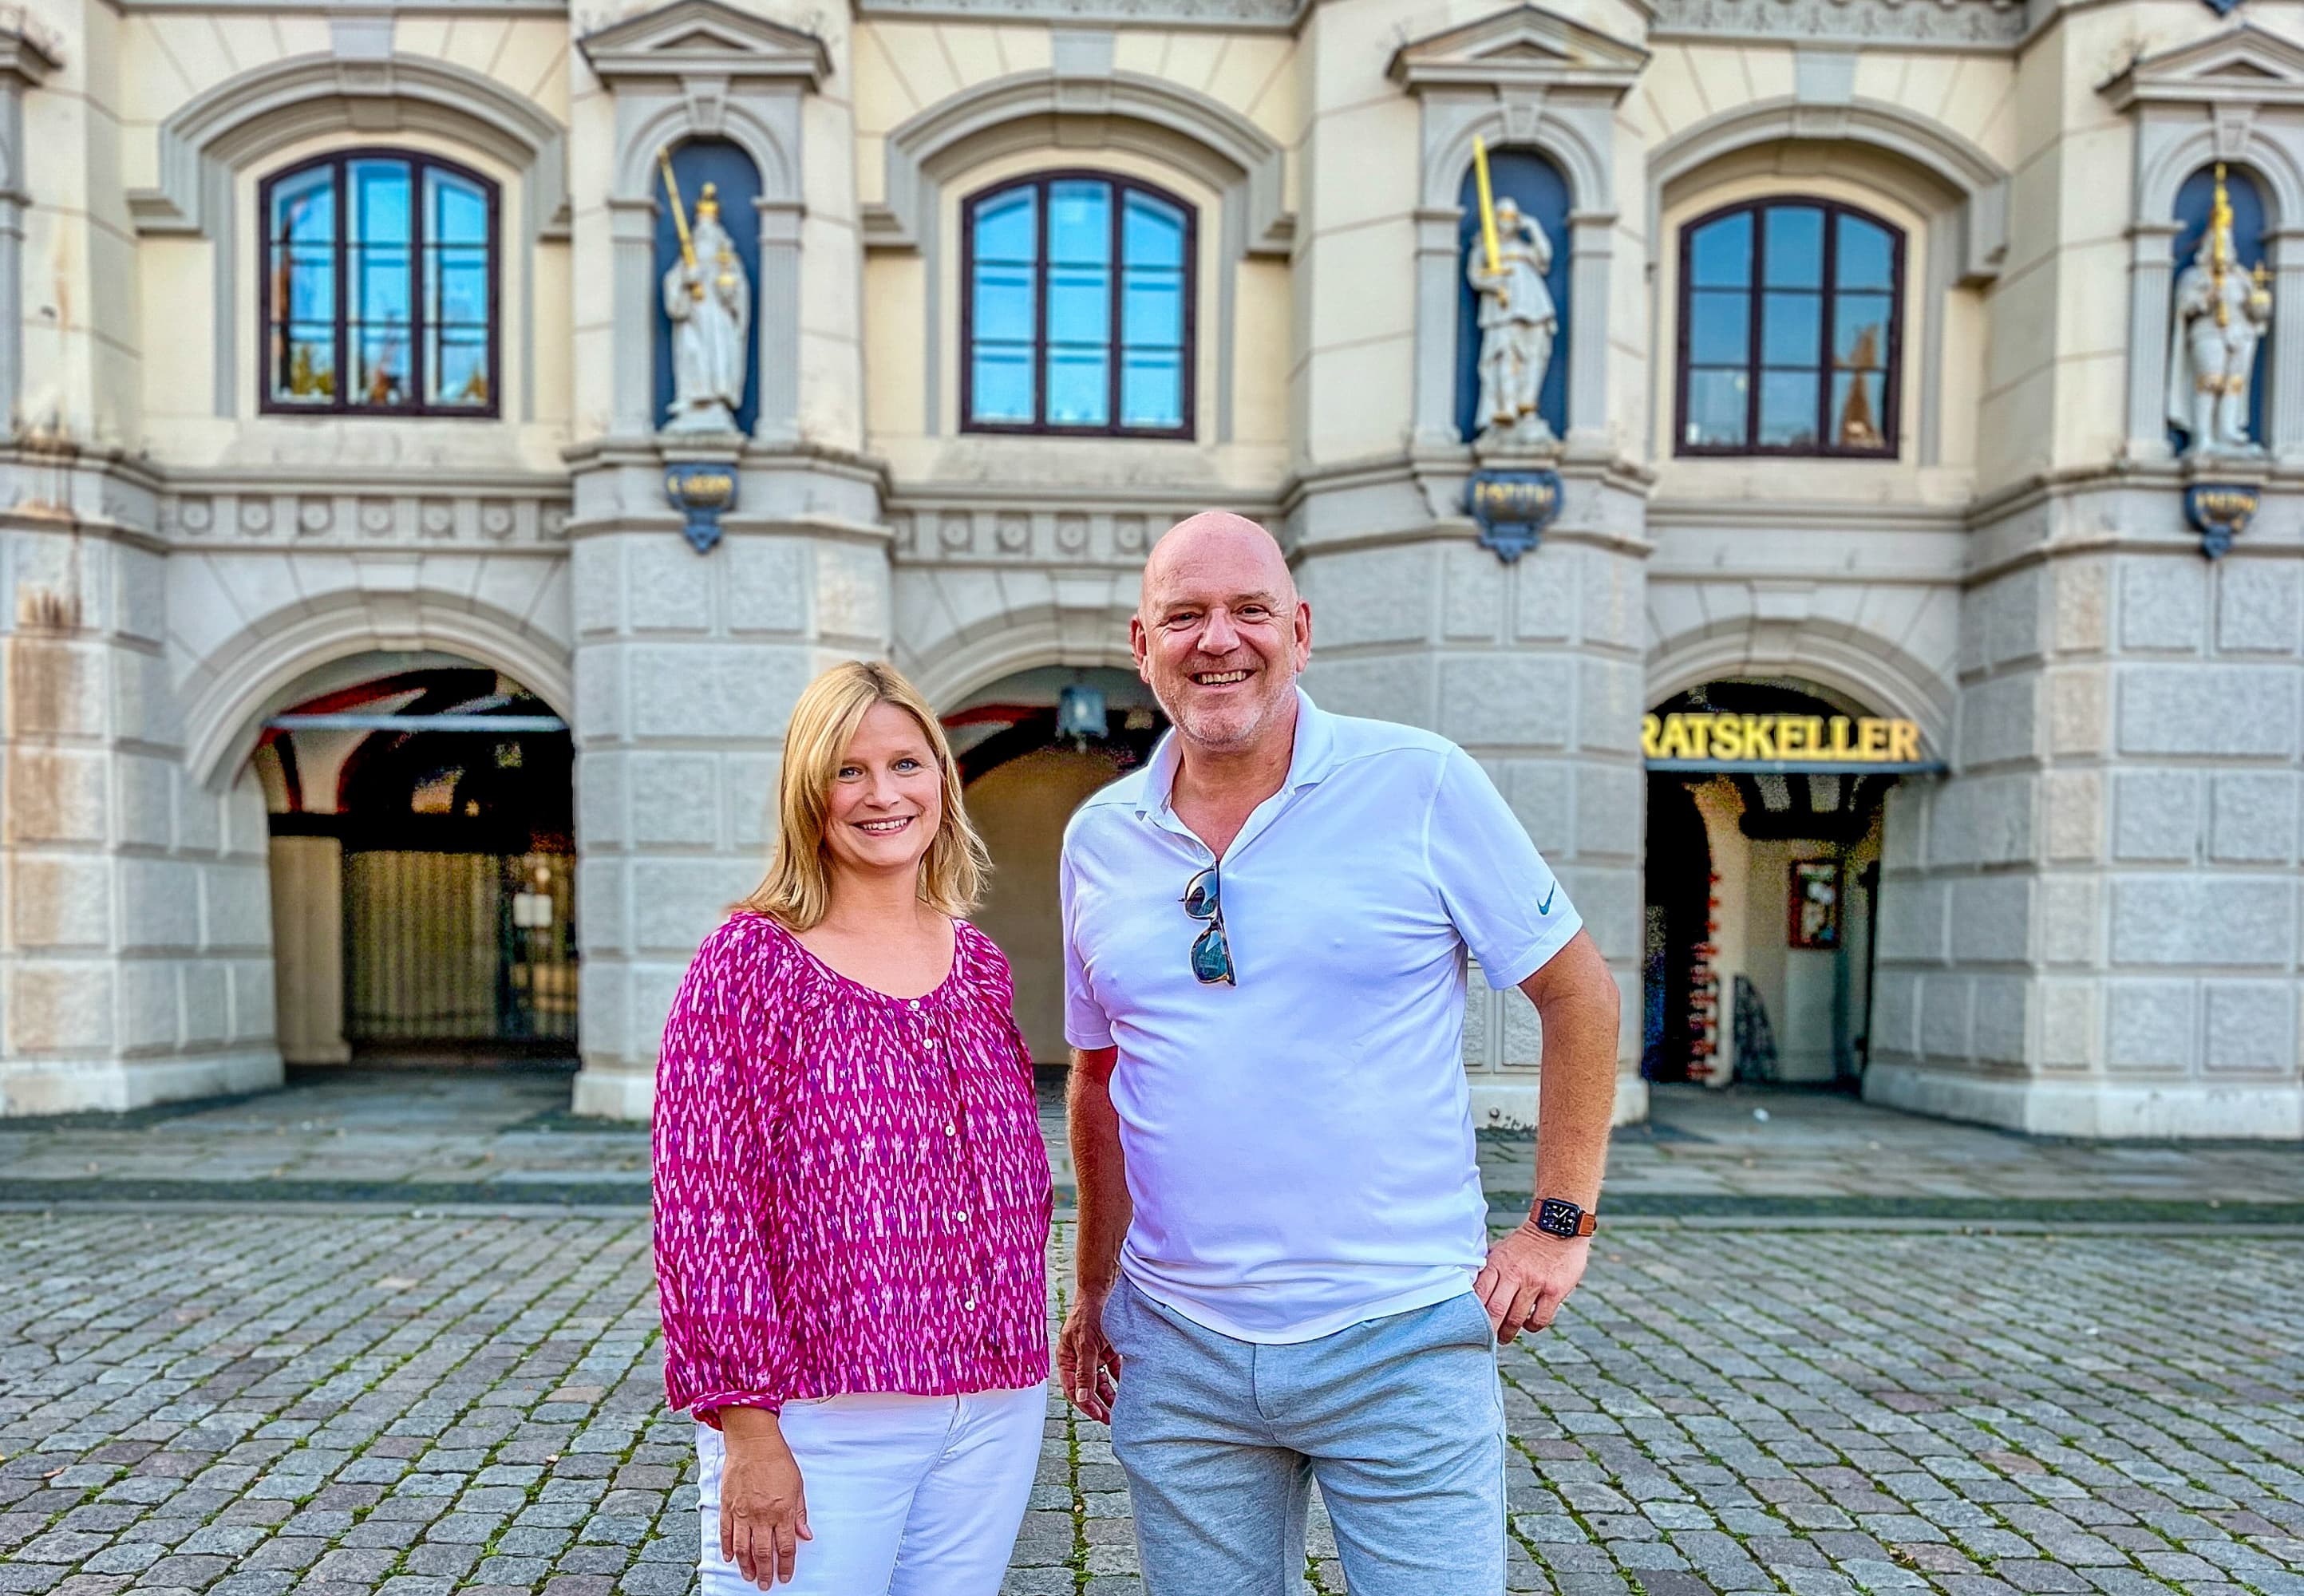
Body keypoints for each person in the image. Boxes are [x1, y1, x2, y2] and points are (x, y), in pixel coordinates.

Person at [1057, 511, 1621, 1595]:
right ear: (1142, 645)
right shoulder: (1098, 839)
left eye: (1247, 611)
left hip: (1398, 1340)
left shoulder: (1419, 783)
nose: (1217, 639)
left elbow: (1578, 993)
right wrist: (1092, 1294)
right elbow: (1100, 1079)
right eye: (1184, 616)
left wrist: (1557, 1226)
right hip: (1178, 1352)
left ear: (1299, 632)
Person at [653, 660, 1053, 1594]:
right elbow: (703, 1212)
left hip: (992, 1403)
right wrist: (748, 1430)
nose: (883, 793)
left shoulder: (978, 962)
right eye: (849, 770)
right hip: (825, 1414)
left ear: (942, 781)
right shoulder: (747, 963)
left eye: (907, 763)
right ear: (809, 792)